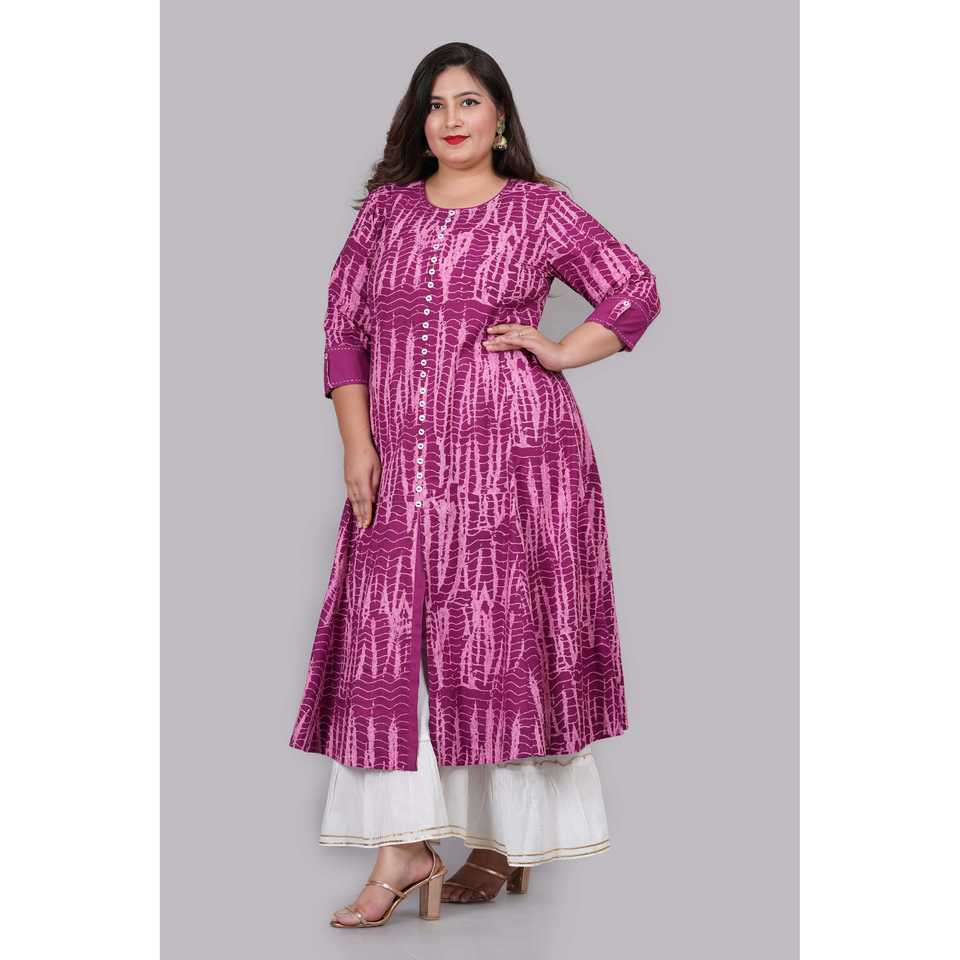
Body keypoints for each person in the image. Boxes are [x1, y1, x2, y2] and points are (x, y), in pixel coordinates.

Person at [288, 41, 662, 929]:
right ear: (419, 122)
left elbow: (634, 290)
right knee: (394, 642)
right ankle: (405, 846)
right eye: (435, 104)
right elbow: (344, 335)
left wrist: (561, 351)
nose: (450, 119)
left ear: (499, 119)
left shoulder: (538, 210)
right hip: (402, 466)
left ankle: (500, 842)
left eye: (468, 102)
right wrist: (356, 445)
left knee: (500, 643)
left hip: (516, 462)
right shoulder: (385, 215)